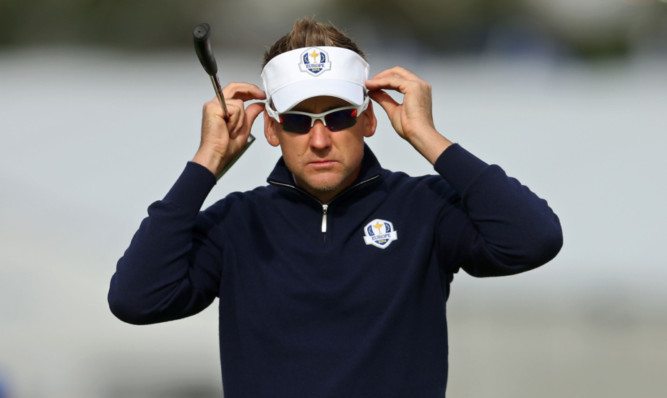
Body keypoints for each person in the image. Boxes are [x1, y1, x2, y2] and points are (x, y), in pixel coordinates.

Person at [109, 18, 562, 398]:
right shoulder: (237, 223)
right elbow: (136, 298)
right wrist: (207, 161)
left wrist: (427, 136)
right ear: (271, 129)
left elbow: (533, 238)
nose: (320, 139)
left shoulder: (423, 207)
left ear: (368, 119)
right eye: (299, 121)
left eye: (339, 116)